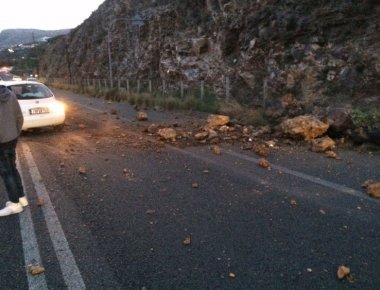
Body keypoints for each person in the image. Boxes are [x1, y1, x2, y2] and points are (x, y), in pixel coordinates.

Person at [0, 85, 28, 216]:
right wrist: (14, 134)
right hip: (11, 139)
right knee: (12, 168)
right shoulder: (10, 94)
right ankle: (21, 198)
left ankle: (15, 204)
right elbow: (19, 118)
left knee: (6, 173)